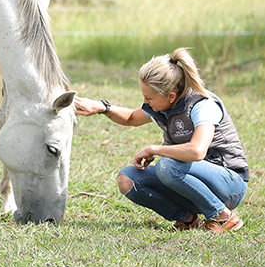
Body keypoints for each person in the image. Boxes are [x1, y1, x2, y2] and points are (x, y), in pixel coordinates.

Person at [74, 47, 248, 233]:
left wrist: (154, 149)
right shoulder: (163, 106)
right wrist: (102, 108)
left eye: (148, 97)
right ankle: (188, 220)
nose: (145, 102)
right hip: (189, 181)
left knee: (168, 165)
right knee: (128, 178)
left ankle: (223, 216)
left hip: (229, 186)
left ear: (171, 96)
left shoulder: (202, 105)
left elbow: (197, 151)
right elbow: (131, 118)